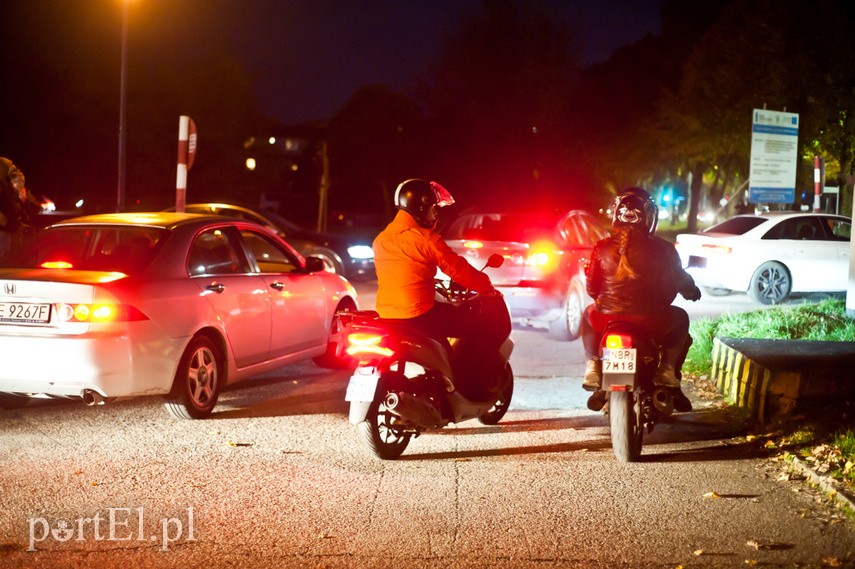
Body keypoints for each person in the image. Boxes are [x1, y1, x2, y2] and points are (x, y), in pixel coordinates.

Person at [372, 178, 503, 396]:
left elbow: (403, 272)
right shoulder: (425, 239)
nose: (435, 215)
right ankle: (470, 382)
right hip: (418, 314)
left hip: (387, 314)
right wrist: (486, 287)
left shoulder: (382, 239)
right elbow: (457, 268)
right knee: (478, 325)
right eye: (433, 208)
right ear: (421, 208)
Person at [580, 187, 701, 411]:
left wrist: (604, 302)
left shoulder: (601, 247)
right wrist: (689, 292)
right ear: (649, 217)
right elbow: (671, 287)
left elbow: (592, 288)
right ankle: (666, 370)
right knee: (681, 318)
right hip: (652, 321)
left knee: (587, 314)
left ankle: (593, 365)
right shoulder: (664, 249)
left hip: (607, 319)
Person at [0, 157, 32, 259]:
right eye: (8, 167)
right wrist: (4, 221)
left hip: (9, 229)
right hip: (3, 230)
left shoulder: (5, 184)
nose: (10, 170)